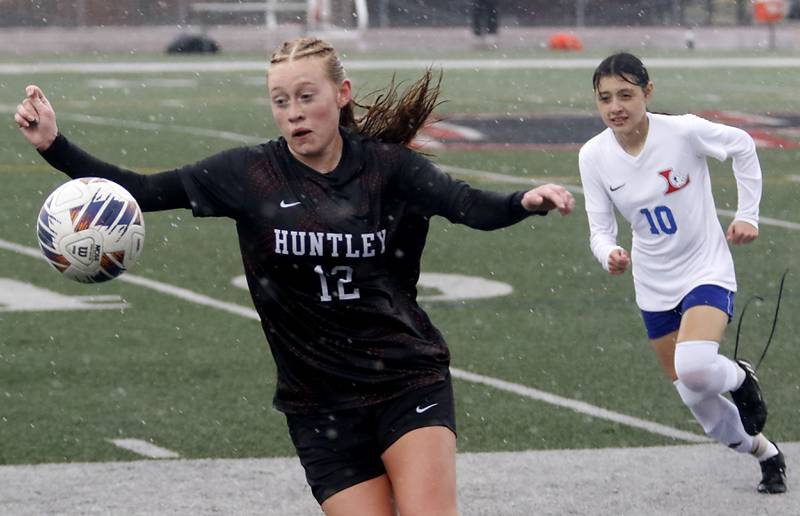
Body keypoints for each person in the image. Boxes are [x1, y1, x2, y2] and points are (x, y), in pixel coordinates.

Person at [15, 37, 575, 514]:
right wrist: (53, 146)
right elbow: (141, 189)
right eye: (281, 101)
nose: (294, 112)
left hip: (405, 380)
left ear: (342, 94)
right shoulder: (247, 174)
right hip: (318, 403)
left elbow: (466, 205)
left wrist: (523, 201)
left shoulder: (389, 168)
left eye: (307, 97)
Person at [578, 52, 786, 494]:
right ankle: (767, 453)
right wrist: (609, 252)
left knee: (694, 367)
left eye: (626, 95)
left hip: (705, 269)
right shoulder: (593, 155)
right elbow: (600, 229)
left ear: (648, 93)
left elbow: (743, 146)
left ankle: (740, 376)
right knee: (703, 409)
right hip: (652, 284)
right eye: (605, 98)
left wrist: (749, 214)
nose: (616, 106)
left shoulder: (683, 131)